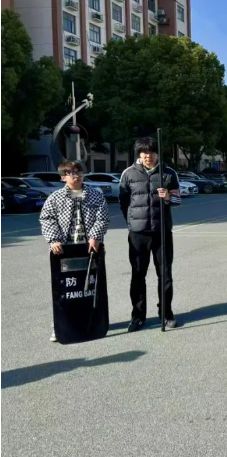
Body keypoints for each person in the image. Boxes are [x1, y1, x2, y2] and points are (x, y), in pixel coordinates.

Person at [39, 160, 110, 342]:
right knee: (64, 289)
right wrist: (53, 239)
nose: (76, 176)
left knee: (89, 287)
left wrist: (95, 236)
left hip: (89, 248)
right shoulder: (55, 197)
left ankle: (92, 323)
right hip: (64, 250)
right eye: (71, 173)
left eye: (79, 172)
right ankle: (60, 326)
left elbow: (103, 218)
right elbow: (46, 218)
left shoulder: (95, 195)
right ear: (63, 177)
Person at [119, 137, 181, 332]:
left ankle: (166, 313)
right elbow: (123, 201)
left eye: (152, 152)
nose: (149, 156)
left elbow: (178, 200)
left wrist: (168, 197)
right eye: (145, 153)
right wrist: (132, 222)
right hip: (138, 234)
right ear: (139, 154)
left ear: (157, 153)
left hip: (162, 232)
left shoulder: (168, 173)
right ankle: (138, 316)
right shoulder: (128, 173)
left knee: (165, 275)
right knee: (138, 275)